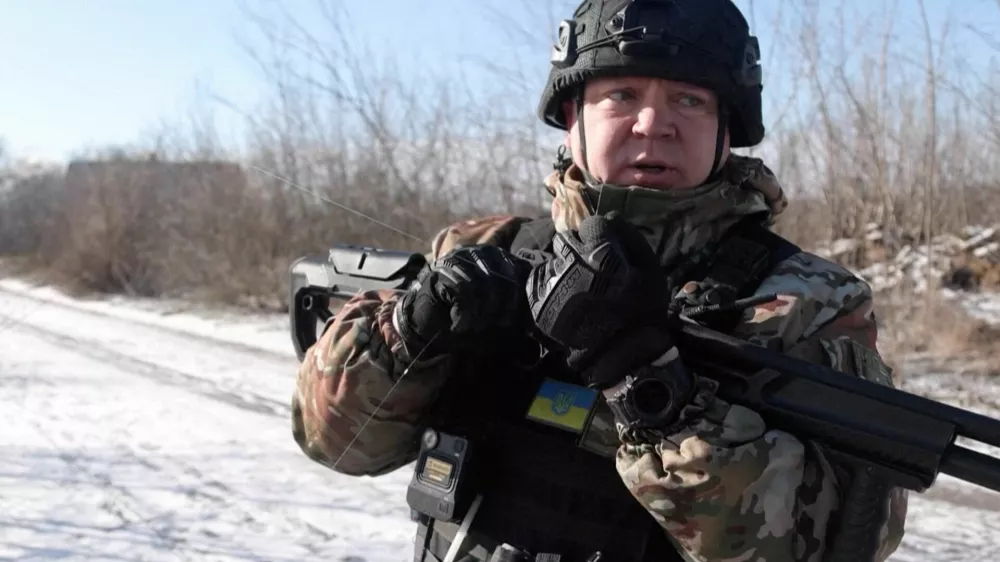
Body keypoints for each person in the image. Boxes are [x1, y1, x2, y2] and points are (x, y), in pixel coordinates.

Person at [290, 0, 908, 560]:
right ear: (572, 116)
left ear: (728, 129)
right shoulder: (485, 246)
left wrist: (645, 381)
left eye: (690, 100)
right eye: (622, 94)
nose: (652, 124)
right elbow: (337, 444)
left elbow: (841, 545)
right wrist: (409, 331)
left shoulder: (807, 300)